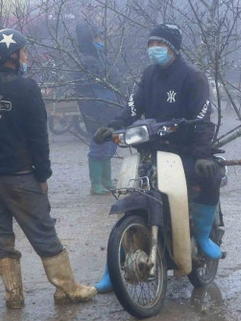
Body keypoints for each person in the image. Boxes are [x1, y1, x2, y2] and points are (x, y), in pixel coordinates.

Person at [92, 23, 222, 292]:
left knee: (211, 176)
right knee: (132, 197)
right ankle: (114, 265)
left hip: (183, 151)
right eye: (151, 44)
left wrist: (202, 154)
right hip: (150, 150)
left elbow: (202, 119)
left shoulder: (193, 77)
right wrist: (114, 125)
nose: (154, 50)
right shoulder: (148, 75)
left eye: (159, 44)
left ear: (173, 48)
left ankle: (202, 236)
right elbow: (132, 107)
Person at [0, 27, 96, 310]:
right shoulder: (27, 87)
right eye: (24, 51)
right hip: (21, 177)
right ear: (13, 56)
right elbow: (38, 137)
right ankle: (67, 289)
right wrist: (43, 175)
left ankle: (13, 294)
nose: (26, 56)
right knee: (43, 231)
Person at [73, 21, 122, 195]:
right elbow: (90, 91)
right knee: (98, 146)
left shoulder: (100, 58)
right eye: (98, 37)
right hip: (97, 112)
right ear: (90, 39)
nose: (101, 39)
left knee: (110, 145)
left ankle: (106, 180)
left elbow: (115, 79)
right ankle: (96, 183)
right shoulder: (86, 62)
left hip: (109, 109)